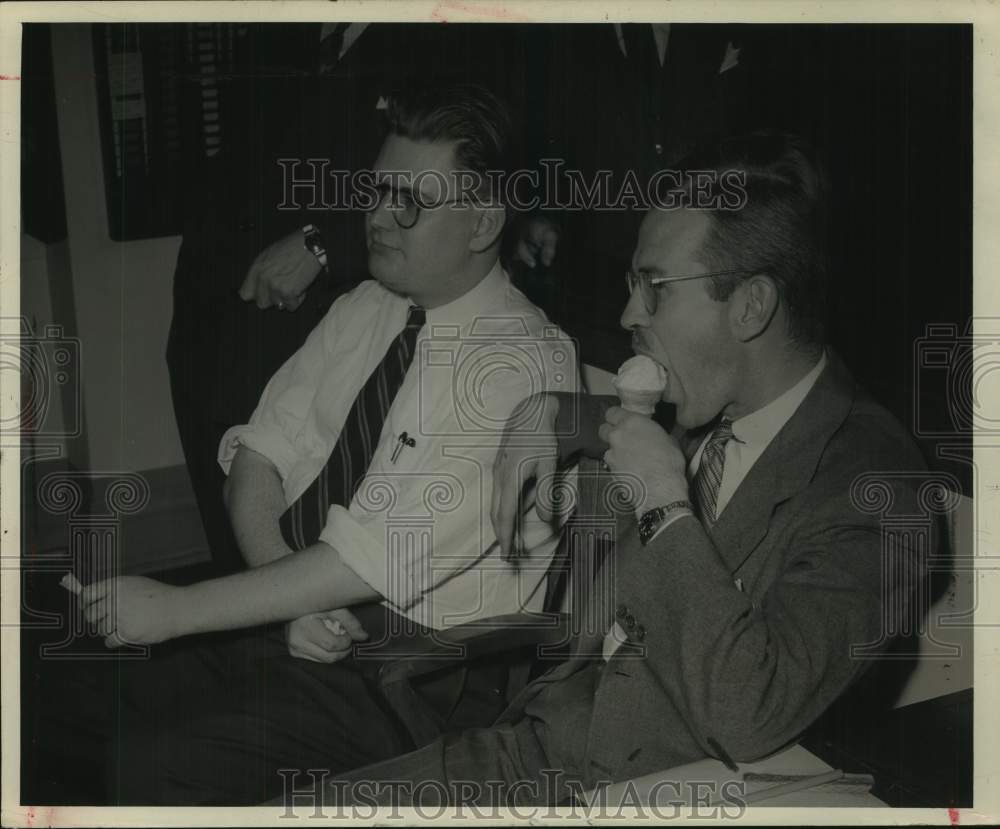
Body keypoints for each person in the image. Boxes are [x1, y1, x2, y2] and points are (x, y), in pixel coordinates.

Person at [279, 131, 933, 809]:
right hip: (538, 747)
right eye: (630, 285)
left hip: (669, 791)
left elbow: (750, 709)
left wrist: (663, 504)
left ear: (751, 306)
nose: (627, 316)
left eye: (654, 289)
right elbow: (613, 419)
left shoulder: (878, 489)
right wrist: (554, 409)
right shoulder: (708, 399)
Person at [68, 83, 578, 805]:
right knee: (72, 696)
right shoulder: (364, 308)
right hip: (303, 620)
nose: (375, 217)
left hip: (406, 677)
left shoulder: (521, 363)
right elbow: (257, 453)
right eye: (376, 192)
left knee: (153, 769)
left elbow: (369, 561)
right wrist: (287, 599)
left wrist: (176, 610)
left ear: (483, 221)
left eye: (409, 202)